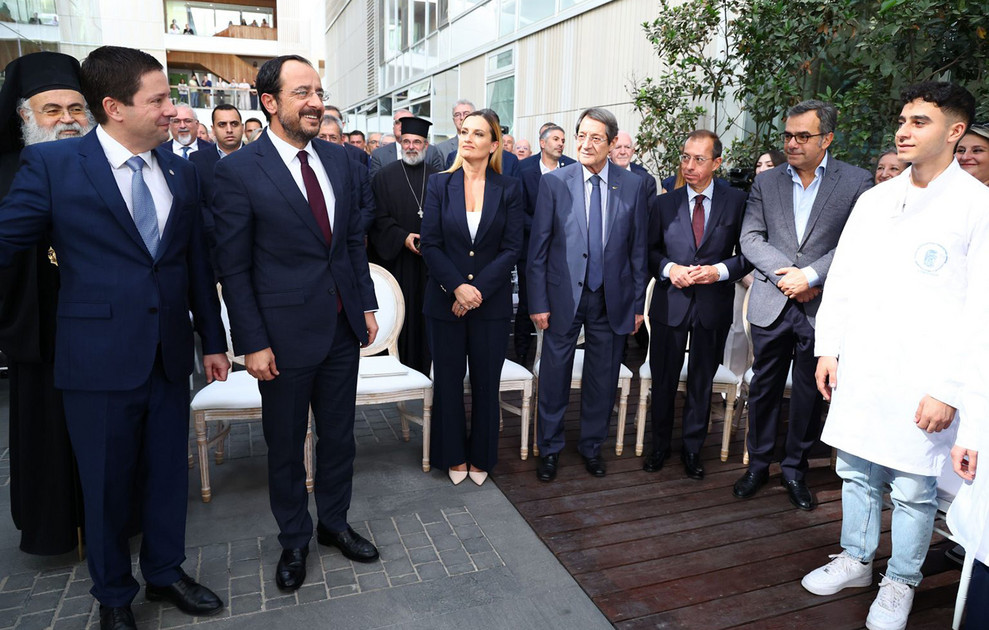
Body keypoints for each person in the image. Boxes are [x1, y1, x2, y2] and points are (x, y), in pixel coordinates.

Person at [0, 45, 229, 630]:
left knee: (167, 475)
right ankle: (114, 596)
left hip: (168, 356)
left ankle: (166, 572)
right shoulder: (53, 165)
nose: (171, 109)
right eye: (159, 99)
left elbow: (194, 263)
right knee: (104, 486)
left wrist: (212, 340)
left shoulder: (179, 170)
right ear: (115, 107)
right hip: (96, 361)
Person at [804, 82, 988, 630]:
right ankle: (856, 559)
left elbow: (980, 311)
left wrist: (949, 389)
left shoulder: (976, 206)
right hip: (863, 363)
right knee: (854, 469)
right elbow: (842, 281)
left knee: (912, 487)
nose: (904, 131)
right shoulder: (875, 200)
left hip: (924, 376)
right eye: (903, 120)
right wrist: (829, 348)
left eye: (920, 122)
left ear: (955, 132)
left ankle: (901, 581)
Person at [211, 55, 380, 594]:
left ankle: (334, 523)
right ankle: (294, 539)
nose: (315, 102)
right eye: (302, 92)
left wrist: (365, 305)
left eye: (319, 92)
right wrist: (252, 342)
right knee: (285, 445)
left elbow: (351, 243)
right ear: (269, 102)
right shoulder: (238, 171)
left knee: (339, 438)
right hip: (281, 340)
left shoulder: (342, 161)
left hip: (340, 329)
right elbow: (234, 268)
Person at [735, 100, 872, 510]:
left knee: (811, 392)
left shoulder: (856, 182)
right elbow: (751, 238)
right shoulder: (767, 182)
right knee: (764, 387)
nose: (792, 143)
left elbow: (858, 244)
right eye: (787, 135)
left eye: (802, 136)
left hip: (822, 307)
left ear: (826, 138)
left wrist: (811, 276)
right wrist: (791, 278)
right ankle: (759, 464)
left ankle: (795, 470)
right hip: (772, 302)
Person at [0, 52, 92, 558]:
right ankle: (54, 530)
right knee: (47, 436)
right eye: (51, 109)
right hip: (37, 328)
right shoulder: (7, 172)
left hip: (97, 327)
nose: (66, 120)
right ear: (24, 115)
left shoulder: (102, 164)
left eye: (76, 109)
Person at [528, 107, 648, 481]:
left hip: (612, 299)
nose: (585, 144)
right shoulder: (554, 183)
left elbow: (638, 251)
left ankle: (592, 447)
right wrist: (538, 301)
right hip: (563, 297)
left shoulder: (633, 185)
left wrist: (638, 305)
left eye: (596, 138)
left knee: (602, 377)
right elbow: (537, 249)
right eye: (581, 135)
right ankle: (549, 449)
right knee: (554, 376)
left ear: (612, 144)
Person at [421, 109, 523, 485]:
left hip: (489, 305)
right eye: (464, 131)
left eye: (478, 133)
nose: (468, 138)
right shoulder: (439, 185)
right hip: (444, 303)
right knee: (447, 383)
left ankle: (481, 457)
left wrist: (476, 290)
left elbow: (512, 248)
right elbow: (430, 244)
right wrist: (457, 287)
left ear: (493, 144)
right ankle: (452, 454)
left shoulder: (509, 188)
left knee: (485, 383)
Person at [643, 130, 749, 478]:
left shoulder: (737, 201)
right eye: (685, 157)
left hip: (712, 306)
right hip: (670, 305)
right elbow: (649, 251)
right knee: (663, 381)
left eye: (699, 159)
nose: (689, 165)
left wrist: (719, 271)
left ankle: (692, 450)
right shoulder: (664, 203)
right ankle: (659, 447)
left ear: (717, 163)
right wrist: (669, 269)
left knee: (702, 383)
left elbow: (747, 254)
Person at [369, 116, 437, 373]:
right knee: (402, 315)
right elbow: (378, 219)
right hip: (399, 263)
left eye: (416, 142)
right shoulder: (384, 177)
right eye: (406, 141)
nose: (411, 147)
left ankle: (427, 372)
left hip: (430, 264)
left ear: (426, 145)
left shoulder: (439, 178)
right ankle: (398, 368)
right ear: (400, 143)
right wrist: (402, 237)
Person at [514, 124, 576, 363]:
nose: (561, 143)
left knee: (560, 303)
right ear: (542, 143)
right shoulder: (524, 169)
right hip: (530, 249)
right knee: (528, 303)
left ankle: (554, 356)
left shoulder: (572, 168)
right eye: (556, 139)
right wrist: (545, 228)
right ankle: (521, 356)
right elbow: (518, 211)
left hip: (563, 252)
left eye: (563, 140)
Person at [190, 103, 244, 259]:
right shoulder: (197, 160)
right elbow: (198, 202)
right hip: (213, 247)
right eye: (222, 125)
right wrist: (217, 231)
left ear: (242, 127)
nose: (229, 129)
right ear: (213, 129)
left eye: (234, 124)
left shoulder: (259, 157)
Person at [370, 109, 444, 175]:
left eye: (408, 121)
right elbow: (376, 183)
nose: (402, 125)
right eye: (398, 122)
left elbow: (438, 180)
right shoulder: (379, 154)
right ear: (393, 127)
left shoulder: (431, 152)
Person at [609, 130, 658, 198]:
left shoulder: (646, 181)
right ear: (609, 152)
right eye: (618, 147)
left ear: (632, 152)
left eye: (627, 147)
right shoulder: (599, 176)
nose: (623, 152)